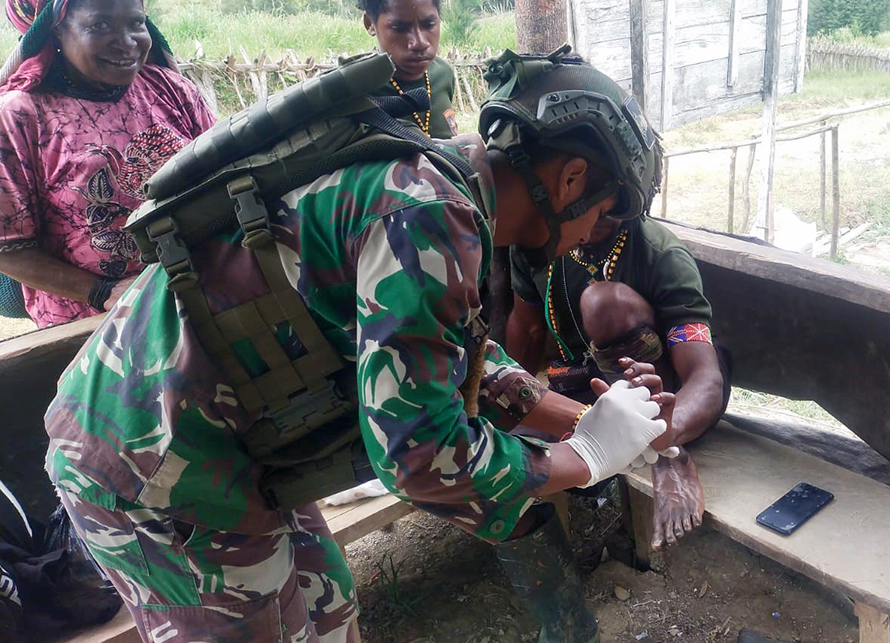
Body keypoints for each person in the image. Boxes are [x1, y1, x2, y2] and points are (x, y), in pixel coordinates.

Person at [45, 48, 672, 643]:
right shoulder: (427, 214)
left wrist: (582, 418)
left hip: (219, 440)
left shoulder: (438, 179)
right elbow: (422, 459)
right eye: (608, 217)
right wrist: (587, 456)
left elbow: (442, 351)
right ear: (571, 179)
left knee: (326, 606)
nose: (594, 238)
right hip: (145, 463)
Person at [506, 213, 732, 550]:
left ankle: (669, 455)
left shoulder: (659, 253)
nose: (594, 215)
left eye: (606, 203)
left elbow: (705, 377)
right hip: (590, 386)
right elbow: (527, 328)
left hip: (665, 396)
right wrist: (507, 407)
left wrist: (664, 435)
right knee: (510, 458)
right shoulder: (537, 244)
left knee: (603, 304)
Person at [0, 0, 215, 328]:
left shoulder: (169, 87)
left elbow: (226, 169)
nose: (128, 43)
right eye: (100, 25)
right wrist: (105, 292)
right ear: (56, 31)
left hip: (203, 288)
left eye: (136, 23)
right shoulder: (19, 115)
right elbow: (8, 250)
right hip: (100, 324)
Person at [357, 0, 459, 138]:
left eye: (429, 25)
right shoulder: (355, 89)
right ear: (370, 23)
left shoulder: (443, 74)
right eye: (400, 28)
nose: (419, 43)